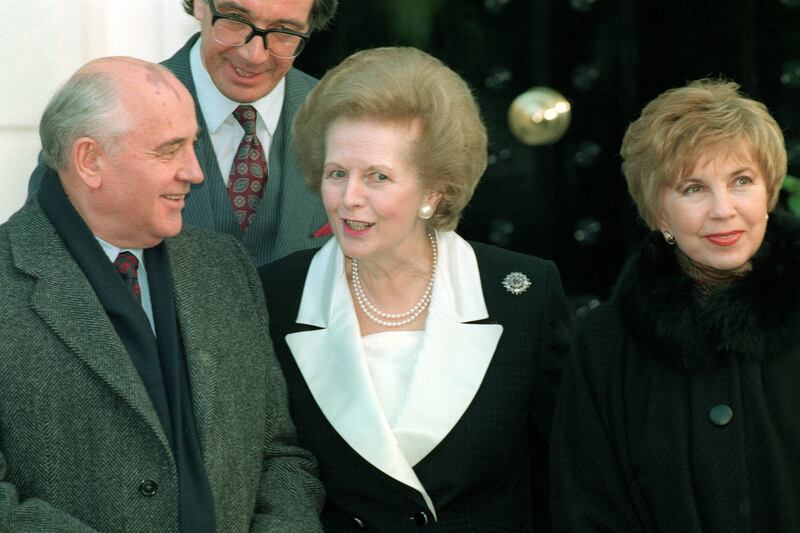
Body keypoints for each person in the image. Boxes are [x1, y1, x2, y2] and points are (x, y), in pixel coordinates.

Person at [0, 56, 323, 532]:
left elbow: (279, 453)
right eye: (169, 150)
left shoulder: (225, 268)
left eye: (193, 145)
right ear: (90, 160)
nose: (195, 171)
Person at [259, 46, 572, 531]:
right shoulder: (276, 296)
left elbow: (564, 479)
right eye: (337, 173)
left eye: (378, 177)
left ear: (434, 191)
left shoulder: (524, 295)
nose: (349, 199)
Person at [550, 79, 798, 531]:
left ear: (769, 193)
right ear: (659, 212)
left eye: (741, 181)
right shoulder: (605, 346)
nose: (723, 209)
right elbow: (586, 510)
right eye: (693, 189)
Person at [29, 0, 339, 266]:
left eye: (284, 32)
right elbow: (44, 269)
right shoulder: (101, 116)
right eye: (235, 19)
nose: (253, 54)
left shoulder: (343, 119)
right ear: (202, 4)